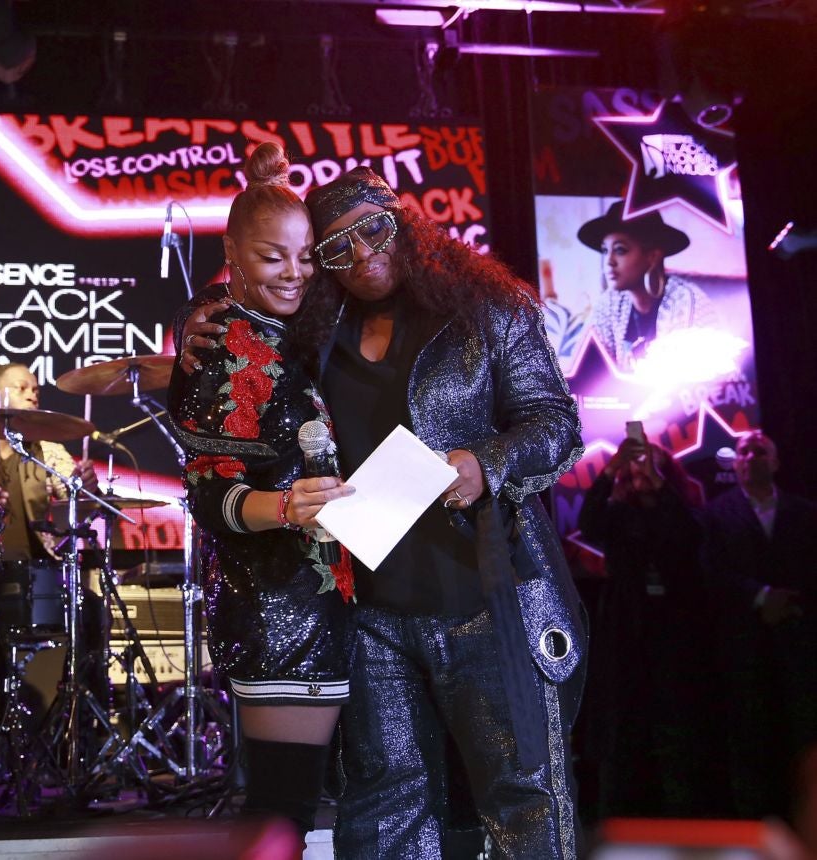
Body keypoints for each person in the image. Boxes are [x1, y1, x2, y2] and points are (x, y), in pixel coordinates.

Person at [181, 165, 587, 859]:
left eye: (374, 230)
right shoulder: (315, 328)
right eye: (336, 248)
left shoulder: (491, 308)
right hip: (370, 611)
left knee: (526, 798)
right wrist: (198, 317)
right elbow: (254, 309)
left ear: (406, 224)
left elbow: (556, 424)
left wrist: (484, 463)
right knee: (382, 811)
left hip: (489, 595)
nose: (363, 254)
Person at [166, 142, 355, 850]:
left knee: (303, 812)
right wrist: (285, 507)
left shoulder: (285, 331)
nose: (295, 272)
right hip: (278, 605)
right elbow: (208, 494)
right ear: (232, 254)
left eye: (305, 256)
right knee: (281, 815)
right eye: (273, 257)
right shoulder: (225, 343)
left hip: (320, 598)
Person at [577, 432, 723, 819]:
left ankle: (683, 820)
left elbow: (689, 535)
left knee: (677, 733)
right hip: (627, 632)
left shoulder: (682, 510)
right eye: (637, 465)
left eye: (651, 464)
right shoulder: (618, 514)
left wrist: (657, 480)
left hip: (676, 634)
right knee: (626, 732)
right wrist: (612, 467)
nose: (641, 470)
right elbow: (589, 523)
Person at [704, 430, 817, 819]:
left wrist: (790, 601)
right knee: (751, 742)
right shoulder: (716, 514)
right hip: (744, 649)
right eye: (744, 452)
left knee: (801, 740)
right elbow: (711, 572)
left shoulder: (806, 513)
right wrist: (760, 597)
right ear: (735, 464)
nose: (751, 457)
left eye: (760, 451)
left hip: (799, 647)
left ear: (776, 462)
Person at [0, 362, 98, 562]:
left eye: (35, 391)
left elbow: (73, 494)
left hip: (33, 569)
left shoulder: (48, 451)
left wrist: (83, 487)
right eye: (22, 388)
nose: (32, 396)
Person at [577, 200, 718, 371]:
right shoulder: (609, 303)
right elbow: (588, 366)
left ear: (652, 257)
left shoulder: (685, 300)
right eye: (605, 250)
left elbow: (689, 376)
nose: (609, 261)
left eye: (620, 250)